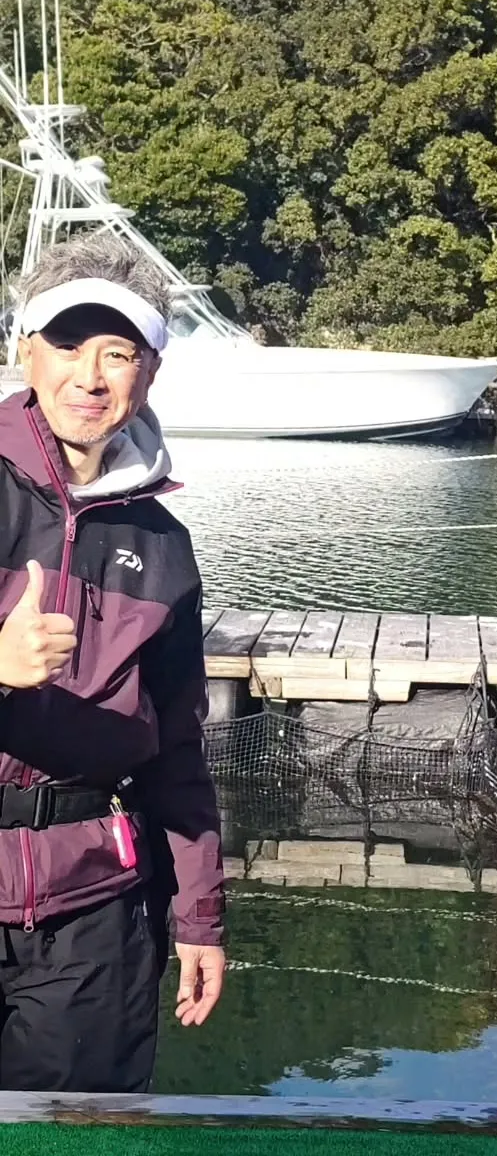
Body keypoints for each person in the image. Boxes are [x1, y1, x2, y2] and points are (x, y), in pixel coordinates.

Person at [0, 232, 225, 1091]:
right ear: (26, 351)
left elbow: (175, 749)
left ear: (150, 373)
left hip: (93, 911)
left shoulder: (164, 545)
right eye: (66, 343)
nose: (88, 376)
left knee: (83, 1138)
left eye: (117, 351)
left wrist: (199, 915)